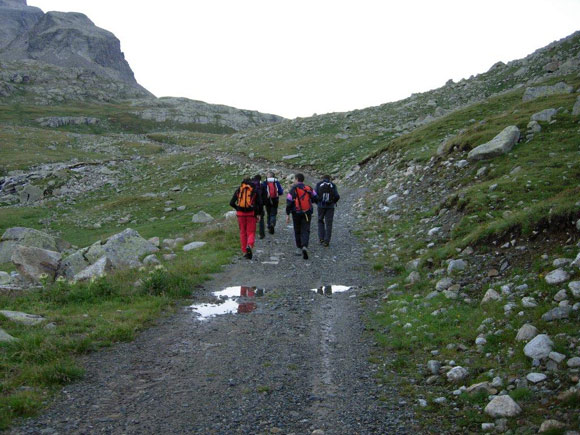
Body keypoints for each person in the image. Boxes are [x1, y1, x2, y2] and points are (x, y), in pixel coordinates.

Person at [286, 173, 317, 260]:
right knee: (306, 229)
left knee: (297, 229)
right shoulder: (308, 188)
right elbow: (316, 197)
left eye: (294, 179)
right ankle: (304, 246)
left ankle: (299, 248)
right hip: (307, 212)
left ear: (296, 179)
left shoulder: (293, 189)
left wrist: (287, 213)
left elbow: (289, 201)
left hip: (296, 213)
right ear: (302, 180)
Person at [229, 178, 261, 259]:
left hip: (240, 215)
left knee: (243, 232)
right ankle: (249, 245)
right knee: (251, 232)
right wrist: (258, 214)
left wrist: (238, 208)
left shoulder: (239, 190)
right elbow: (259, 204)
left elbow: (231, 203)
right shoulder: (254, 190)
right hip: (251, 214)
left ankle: (244, 251)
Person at [315, 175, 340, 247]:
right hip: (330, 206)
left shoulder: (319, 184)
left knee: (320, 220)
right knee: (329, 223)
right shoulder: (333, 185)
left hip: (320, 206)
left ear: (322, 178)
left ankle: (321, 238)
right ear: (330, 179)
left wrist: (318, 202)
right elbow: (337, 196)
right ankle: (327, 241)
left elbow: (315, 195)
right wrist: (333, 202)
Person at [252, 174, 267, 239]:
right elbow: (265, 196)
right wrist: (264, 203)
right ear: (260, 179)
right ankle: (261, 234)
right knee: (261, 219)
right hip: (260, 204)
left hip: (252, 205)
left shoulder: (251, 185)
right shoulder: (262, 186)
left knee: (252, 219)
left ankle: (251, 234)